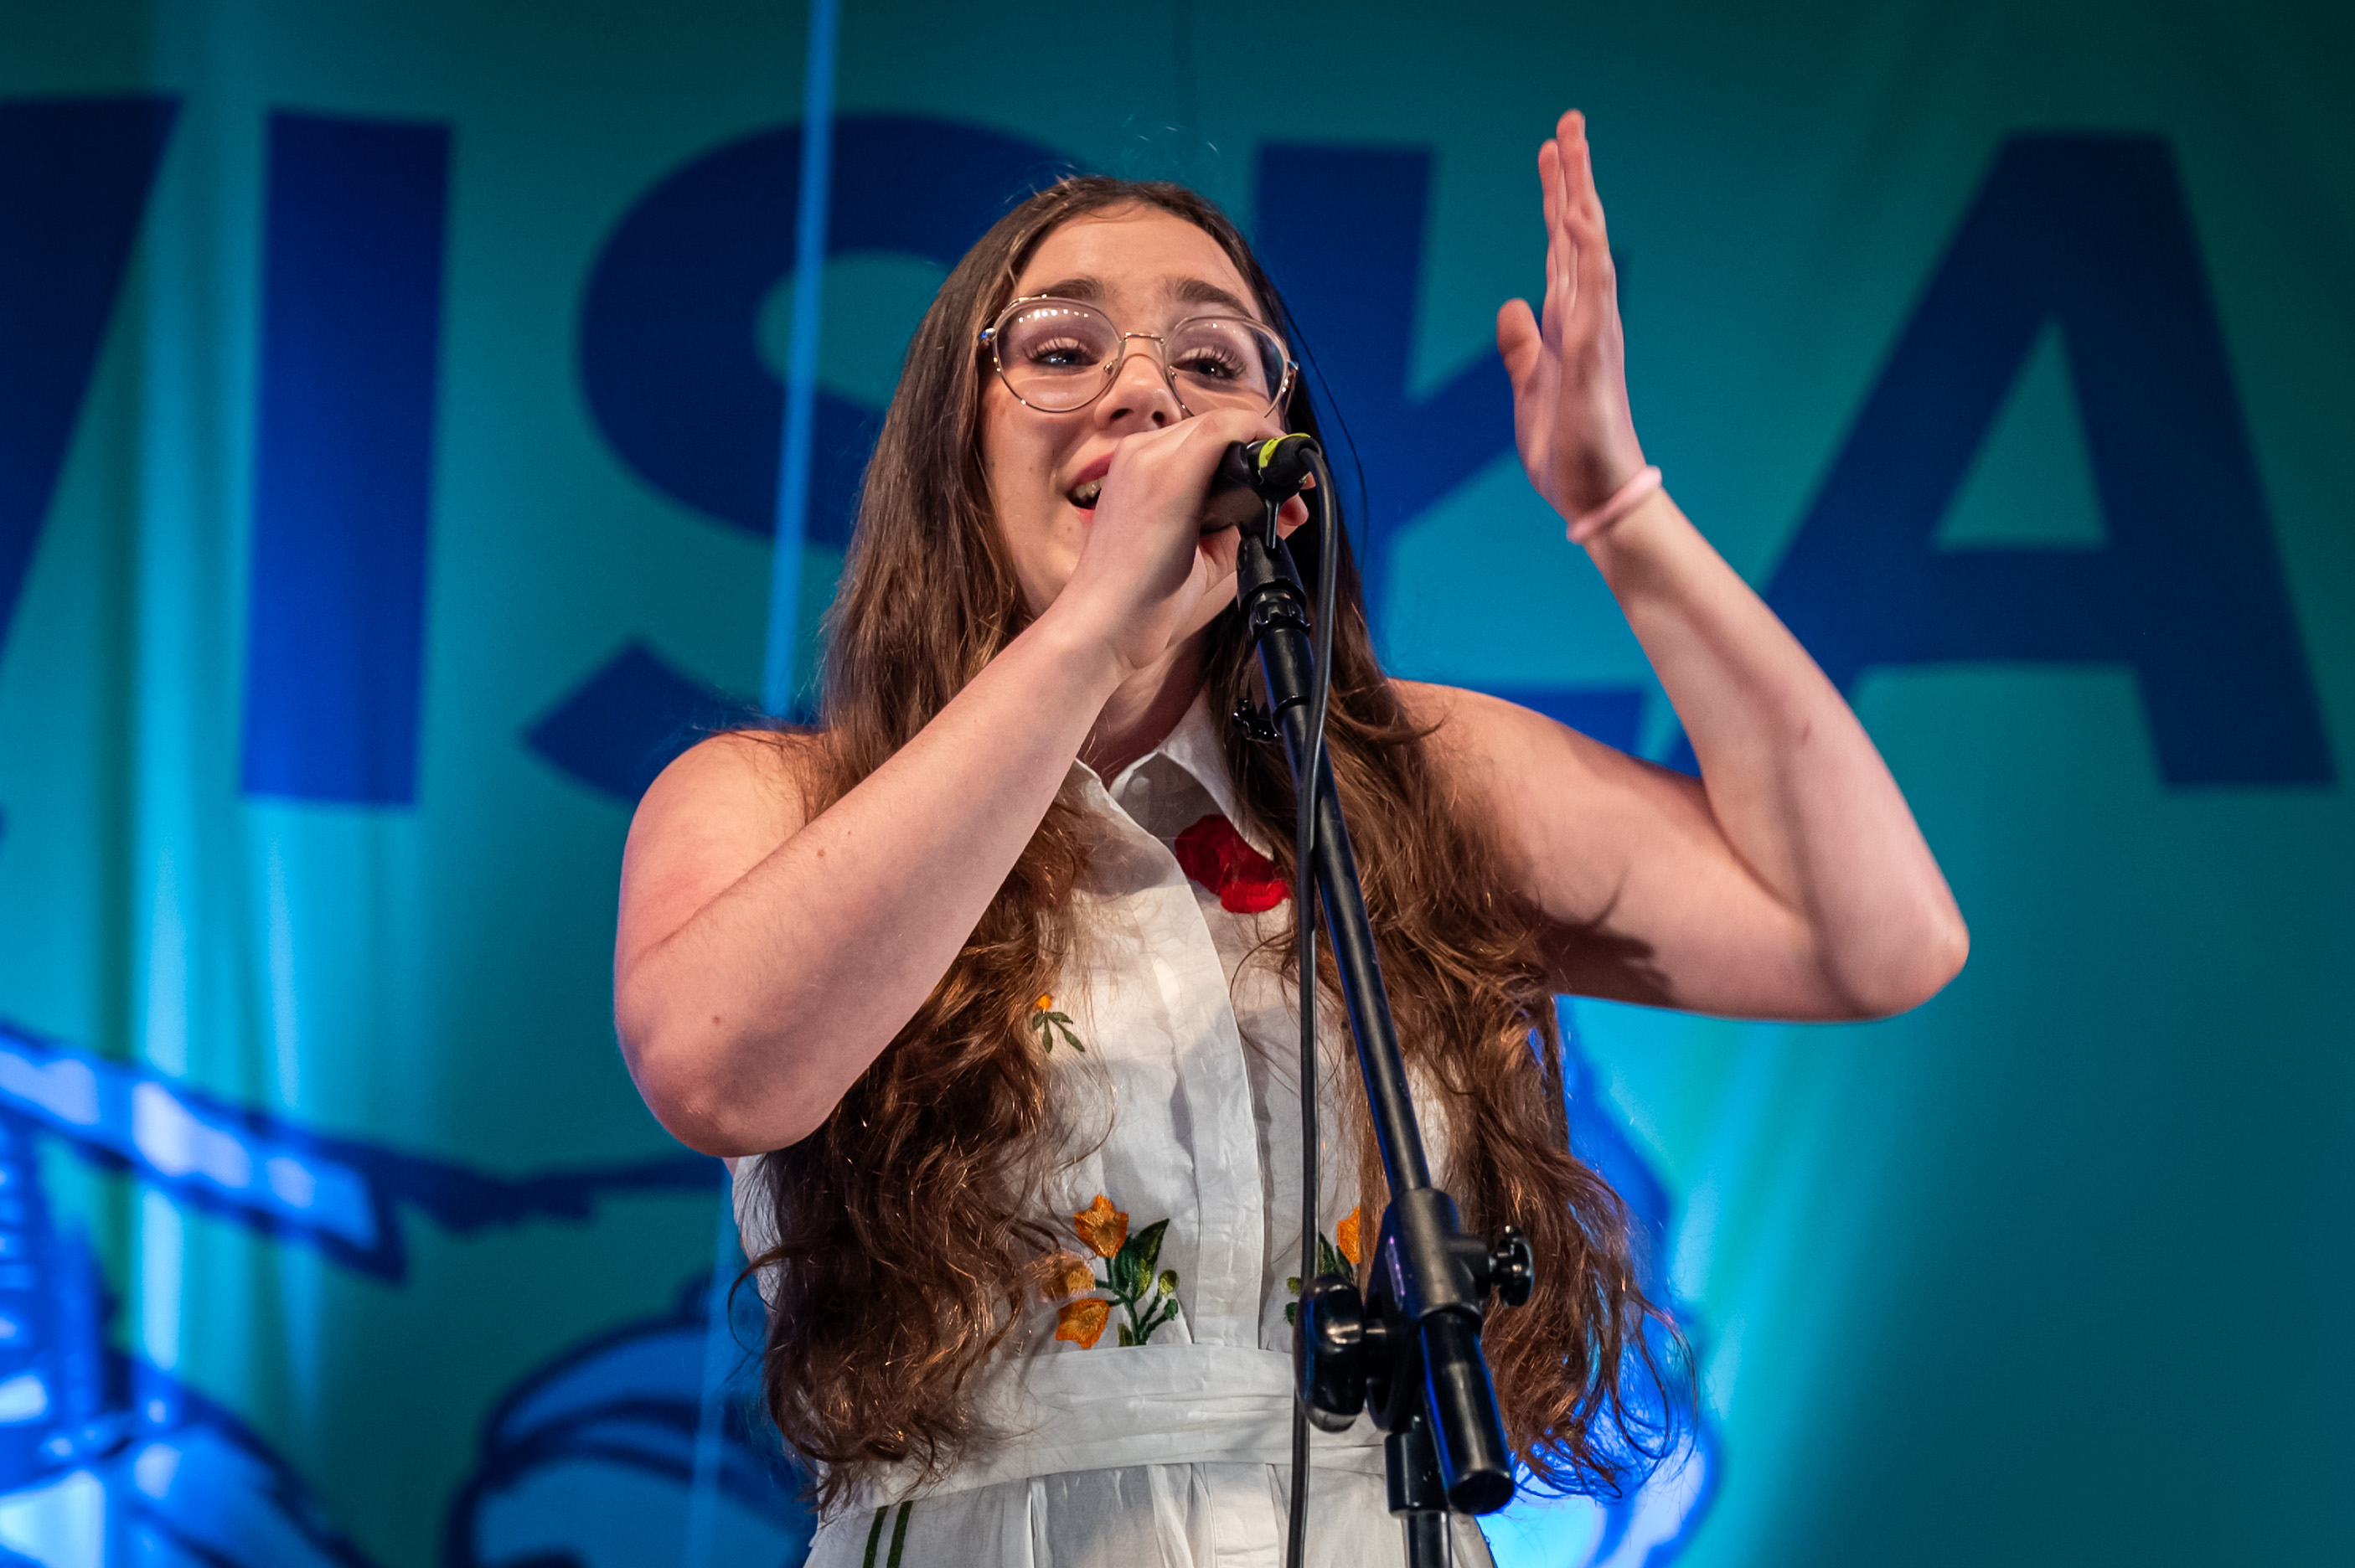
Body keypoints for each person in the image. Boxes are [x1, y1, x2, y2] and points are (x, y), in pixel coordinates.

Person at [612, 109, 1968, 1567]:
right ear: (956, 440)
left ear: (1281, 464)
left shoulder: (1406, 780)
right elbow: (717, 1068)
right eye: (1064, 350)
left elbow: (1874, 937)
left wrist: (1617, 507)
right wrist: (1095, 631)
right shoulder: (786, 795)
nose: (1147, 394)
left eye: (1212, 363)